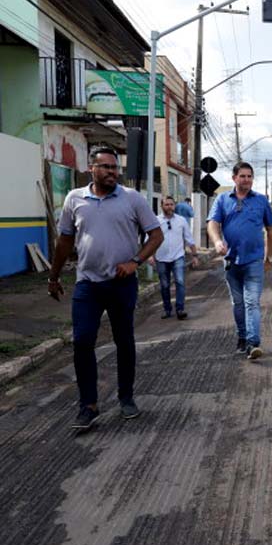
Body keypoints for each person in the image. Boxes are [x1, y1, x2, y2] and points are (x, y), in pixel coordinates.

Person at [47, 146, 163, 430]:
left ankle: (126, 397)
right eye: (106, 167)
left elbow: (156, 235)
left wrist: (135, 262)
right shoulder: (75, 199)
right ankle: (88, 405)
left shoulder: (132, 198)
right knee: (82, 341)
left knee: (124, 341)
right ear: (92, 169)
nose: (113, 172)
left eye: (115, 167)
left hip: (122, 284)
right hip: (87, 284)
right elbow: (65, 241)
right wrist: (53, 276)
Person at [207, 162, 272, 360]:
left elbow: (271, 229)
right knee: (238, 303)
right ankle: (242, 336)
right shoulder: (222, 199)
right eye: (243, 176)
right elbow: (212, 223)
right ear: (234, 178)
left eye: (250, 176)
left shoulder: (261, 200)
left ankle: (253, 343)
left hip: (254, 260)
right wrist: (217, 241)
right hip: (231, 261)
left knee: (251, 302)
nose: (247, 180)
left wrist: (269, 256)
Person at [153, 196, 199, 320]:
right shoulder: (155, 221)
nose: (169, 207)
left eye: (171, 204)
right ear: (161, 206)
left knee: (180, 282)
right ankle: (167, 309)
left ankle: (180, 309)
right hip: (161, 258)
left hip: (178, 256)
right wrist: (150, 256)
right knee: (164, 285)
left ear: (175, 206)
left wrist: (195, 256)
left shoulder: (181, 220)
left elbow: (189, 239)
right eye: (166, 204)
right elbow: (150, 240)